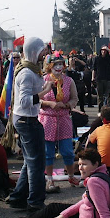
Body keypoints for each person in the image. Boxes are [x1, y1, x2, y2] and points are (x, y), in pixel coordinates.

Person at [7, 37, 53, 211]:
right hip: (26, 120)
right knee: (36, 163)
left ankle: (18, 197)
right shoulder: (26, 73)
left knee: (30, 161)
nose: (45, 54)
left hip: (27, 119)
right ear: (34, 51)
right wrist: (45, 92)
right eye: (42, 51)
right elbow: (25, 101)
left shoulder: (32, 69)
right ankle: (35, 202)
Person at [39, 51, 79, 193]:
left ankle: (71, 176)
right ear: (50, 66)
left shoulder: (69, 81)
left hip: (64, 118)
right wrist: (49, 103)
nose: (59, 67)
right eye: (56, 64)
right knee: (48, 152)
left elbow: (74, 99)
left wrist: (67, 105)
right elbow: (36, 99)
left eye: (61, 64)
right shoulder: (43, 80)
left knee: (68, 151)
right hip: (47, 119)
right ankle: (49, 179)